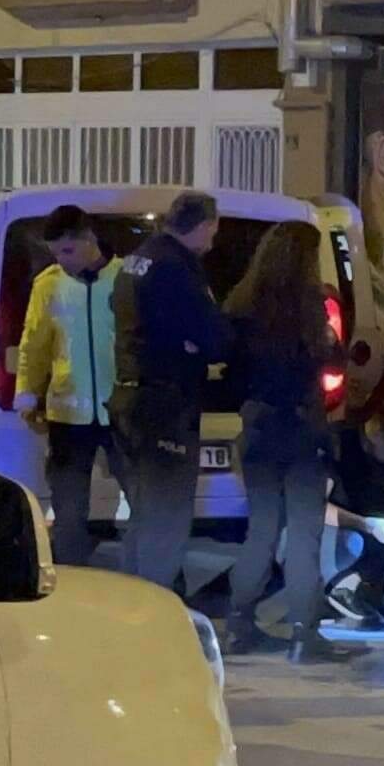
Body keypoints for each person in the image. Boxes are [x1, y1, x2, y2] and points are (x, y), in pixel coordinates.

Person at [215, 221, 349, 660]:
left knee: (262, 529)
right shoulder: (311, 307)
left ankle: (239, 624)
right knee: (306, 532)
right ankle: (303, 633)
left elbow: (230, 368)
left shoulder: (241, 303)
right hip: (302, 427)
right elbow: (331, 360)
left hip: (257, 425)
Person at [110, 191, 235, 589]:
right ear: (204, 225)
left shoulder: (138, 258)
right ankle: (156, 608)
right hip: (165, 405)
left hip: (130, 398)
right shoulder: (176, 267)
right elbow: (213, 334)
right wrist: (200, 345)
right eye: (213, 230)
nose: (213, 239)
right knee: (167, 518)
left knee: (144, 515)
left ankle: (131, 602)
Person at [13, 205, 125, 566]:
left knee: (141, 498)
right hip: (67, 413)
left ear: (89, 239)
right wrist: (27, 395)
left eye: (68, 250)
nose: (62, 260)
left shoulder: (124, 278)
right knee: (69, 508)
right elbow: (34, 345)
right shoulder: (48, 284)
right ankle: (70, 577)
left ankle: (149, 577)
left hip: (119, 410)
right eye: (56, 253)